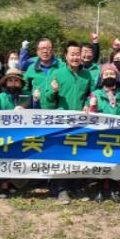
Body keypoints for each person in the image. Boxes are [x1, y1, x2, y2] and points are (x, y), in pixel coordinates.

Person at [46, 42, 93, 204]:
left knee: (79, 154)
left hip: (81, 122)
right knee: (62, 155)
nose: (75, 57)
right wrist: (53, 91)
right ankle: (62, 189)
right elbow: (47, 99)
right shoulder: (57, 73)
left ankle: (78, 187)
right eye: (72, 54)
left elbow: (91, 94)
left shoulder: (87, 74)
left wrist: (88, 103)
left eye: (78, 54)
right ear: (65, 56)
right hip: (62, 122)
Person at [88, 63, 120, 203]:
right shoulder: (95, 94)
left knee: (115, 162)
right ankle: (99, 189)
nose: (109, 76)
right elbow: (90, 116)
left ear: (117, 76)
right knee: (101, 162)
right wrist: (93, 106)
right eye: (106, 74)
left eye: (112, 74)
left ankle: (113, 189)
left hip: (119, 134)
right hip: (100, 135)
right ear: (101, 77)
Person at [0, 68, 40, 198]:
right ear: (5, 83)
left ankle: (17, 183)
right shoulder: (1, 97)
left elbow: (38, 113)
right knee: (4, 157)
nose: (13, 83)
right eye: (10, 81)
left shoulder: (28, 95)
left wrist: (35, 101)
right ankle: (4, 185)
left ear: (21, 83)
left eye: (16, 81)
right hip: (5, 133)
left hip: (24, 133)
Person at [22, 38, 63, 110]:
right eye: (42, 48)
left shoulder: (61, 66)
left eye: (48, 48)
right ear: (37, 51)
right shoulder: (31, 68)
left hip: (59, 111)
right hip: (36, 111)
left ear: (52, 50)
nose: (45, 51)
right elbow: (24, 88)